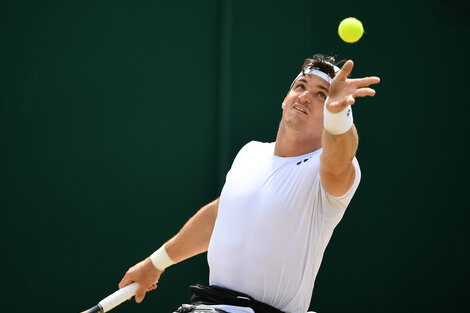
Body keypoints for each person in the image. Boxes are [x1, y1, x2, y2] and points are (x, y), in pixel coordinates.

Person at [118, 54, 380, 313]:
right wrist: (155, 264)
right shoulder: (251, 153)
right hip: (209, 307)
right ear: (284, 100)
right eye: (300, 86)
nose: (305, 96)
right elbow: (220, 216)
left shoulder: (328, 168)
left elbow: (339, 161)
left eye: (322, 94)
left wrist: (339, 115)